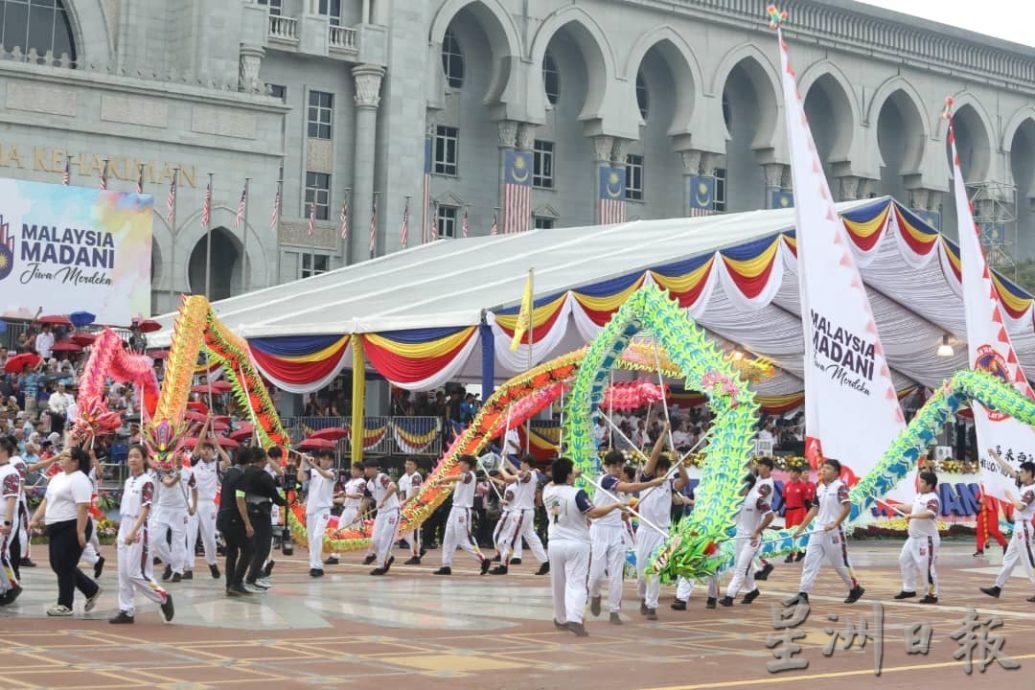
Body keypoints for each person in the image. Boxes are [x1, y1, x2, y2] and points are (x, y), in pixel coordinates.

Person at [544, 457, 627, 637]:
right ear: (568, 476)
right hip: (577, 544)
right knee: (577, 583)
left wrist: (570, 474)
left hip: (555, 542)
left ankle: (560, 618)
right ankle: (575, 618)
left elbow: (555, 483)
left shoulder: (548, 491)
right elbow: (594, 513)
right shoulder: (577, 493)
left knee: (558, 583)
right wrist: (615, 505)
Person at [588, 450, 665, 622]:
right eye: (613, 466)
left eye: (619, 466)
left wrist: (622, 514)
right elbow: (631, 487)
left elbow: (623, 506)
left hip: (617, 532)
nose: (617, 469)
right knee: (596, 574)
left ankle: (614, 611)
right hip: (599, 531)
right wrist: (653, 483)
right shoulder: (606, 480)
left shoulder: (621, 487)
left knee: (616, 574)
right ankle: (594, 594)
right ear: (606, 467)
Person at [28, 446, 102, 616]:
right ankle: (91, 589)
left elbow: (83, 506)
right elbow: (47, 501)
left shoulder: (80, 479)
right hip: (56, 526)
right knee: (58, 564)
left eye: (66, 456)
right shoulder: (58, 477)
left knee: (65, 565)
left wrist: (81, 532)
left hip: (72, 525)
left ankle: (65, 604)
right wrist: (35, 519)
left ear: (76, 462)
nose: (61, 458)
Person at [109, 444, 174, 624]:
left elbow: (145, 509)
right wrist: (120, 534)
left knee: (134, 573)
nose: (133, 460)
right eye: (130, 456)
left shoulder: (147, 481)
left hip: (140, 527)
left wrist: (133, 531)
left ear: (145, 459)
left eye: (137, 456)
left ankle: (162, 597)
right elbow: (125, 510)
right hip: (126, 526)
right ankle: (126, 610)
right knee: (123, 573)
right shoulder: (129, 481)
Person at [791, 458, 865, 604]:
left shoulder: (840, 487)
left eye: (828, 468)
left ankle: (854, 588)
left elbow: (847, 507)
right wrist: (801, 529)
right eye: (823, 468)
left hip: (834, 532)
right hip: (817, 530)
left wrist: (835, 524)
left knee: (840, 564)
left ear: (836, 473)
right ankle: (803, 593)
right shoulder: (819, 488)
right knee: (809, 562)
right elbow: (814, 509)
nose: (823, 470)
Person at [636, 427, 687, 620]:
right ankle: (643, 597)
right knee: (642, 573)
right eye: (661, 469)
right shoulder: (646, 479)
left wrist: (678, 461)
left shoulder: (669, 484)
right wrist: (664, 432)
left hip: (662, 534)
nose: (663, 472)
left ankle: (651, 605)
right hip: (645, 531)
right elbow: (654, 455)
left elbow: (685, 479)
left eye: (666, 469)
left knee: (655, 570)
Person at [719, 459, 775, 607]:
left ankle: (729, 596)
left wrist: (757, 531)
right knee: (743, 565)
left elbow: (770, 516)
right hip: (741, 535)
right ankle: (752, 591)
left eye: (742, 484)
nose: (739, 487)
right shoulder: (740, 498)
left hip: (753, 538)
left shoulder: (758, 498)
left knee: (741, 568)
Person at [980, 452, 1035, 602]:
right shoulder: (1024, 485)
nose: (1020, 474)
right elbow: (1009, 469)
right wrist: (995, 457)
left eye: (1023, 472)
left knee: (1028, 560)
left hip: (1023, 527)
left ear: (1030, 473)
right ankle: (997, 587)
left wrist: (1010, 496)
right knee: (1009, 559)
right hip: (1018, 527)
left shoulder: (1031, 490)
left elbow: (1021, 506)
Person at [491, 455, 550, 576]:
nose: (520, 465)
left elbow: (508, 478)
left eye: (522, 463)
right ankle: (545, 562)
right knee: (531, 537)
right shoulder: (530, 474)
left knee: (510, 539)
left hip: (522, 511)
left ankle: (503, 566)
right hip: (526, 510)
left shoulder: (527, 474)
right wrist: (506, 459)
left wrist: (501, 468)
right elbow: (515, 471)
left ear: (527, 464)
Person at [433, 455, 491, 575]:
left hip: (463, 511)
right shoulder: (464, 477)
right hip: (455, 509)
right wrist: (443, 485)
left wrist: (444, 479)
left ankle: (482, 560)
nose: (459, 465)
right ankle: (446, 565)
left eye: (462, 463)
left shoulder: (469, 475)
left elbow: (458, 479)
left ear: (468, 465)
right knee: (448, 537)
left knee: (463, 538)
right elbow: (457, 485)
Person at [243, 446, 288, 590]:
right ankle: (252, 578)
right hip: (262, 513)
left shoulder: (245, 472)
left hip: (248, 511)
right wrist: (287, 503)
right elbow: (275, 497)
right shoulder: (264, 476)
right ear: (263, 459)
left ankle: (252, 577)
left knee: (253, 547)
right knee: (263, 547)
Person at [895, 470, 941, 605]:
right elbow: (912, 507)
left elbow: (930, 513)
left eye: (922, 482)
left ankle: (932, 594)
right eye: (919, 481)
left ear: (930, 485)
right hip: (913, 538)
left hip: (927, 539)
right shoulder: (919, 496)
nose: (919, 484)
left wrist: (912, 516)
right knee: (904, 560)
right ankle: (909, 589)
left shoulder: (933, 498)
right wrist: (899, 507)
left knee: (926, 566)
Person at [216, 448, 255, 596]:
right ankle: (237, 583)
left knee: (232, 552)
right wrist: (247, 523)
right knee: (247, 550)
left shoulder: (229, 473)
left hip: (223, 517)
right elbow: (240, 499)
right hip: (233, 519)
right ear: (249, 463)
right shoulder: (240, 477)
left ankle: (229, 585)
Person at [186, 431, 224, 579]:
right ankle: (188, 568)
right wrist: (208, 421)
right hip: (193, 503)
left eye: (209, 449)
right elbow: (199, 441)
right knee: (190, 536)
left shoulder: (215, 465)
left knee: (209, 537)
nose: (206, 451)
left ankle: (212, 563)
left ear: (213, 452)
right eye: (204, 448)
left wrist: (217, 445)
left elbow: (227, 462)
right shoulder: (194, 461)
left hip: (209, 505)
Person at [154, 453, 197, 582]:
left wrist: (193, 506)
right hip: (163, 509)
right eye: (175, 454)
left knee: (178, 542)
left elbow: (194, 488)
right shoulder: (163, 470)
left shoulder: (189, 472)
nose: (178, 457)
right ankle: (169, 563)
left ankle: (178, 571)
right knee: (157, 538)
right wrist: (175, 479)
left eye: (181, 454)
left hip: (180, 511)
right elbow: (167, 483)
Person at [298, 449, 336, 578]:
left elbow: (326, 475)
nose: (326, 462)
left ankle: (317, 565)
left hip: (324, 510)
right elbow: (300, 477)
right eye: (323, 459)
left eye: (328, 459)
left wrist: (313, 464)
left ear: (331, 461)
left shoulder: (332, 472)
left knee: (317, 536)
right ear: (319, 459)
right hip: (311, 510)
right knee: (311, 539)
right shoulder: (312, 472)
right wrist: (303, 461)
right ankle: (314, 566)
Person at [364, 458, 401, 576]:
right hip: (381, 513)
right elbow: (366, 500)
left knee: (386, 538)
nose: (366, 471)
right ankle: (388, 557)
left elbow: (393, 487)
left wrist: (383, 500)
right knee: (375, 540)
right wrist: (358, 514)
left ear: (375, 469)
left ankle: (381, 565)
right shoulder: (369, 484)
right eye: (365, 468)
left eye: (369, 468)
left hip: (391, 511)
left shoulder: (382, 477)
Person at [0, 437, 22, 605]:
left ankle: (12, 585)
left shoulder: (10, 472)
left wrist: (7, 522)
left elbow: (11, 498)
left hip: (3, 518)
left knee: (1, 554)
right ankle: (3, 587)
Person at [781, 467, 812, 563]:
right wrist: (777, 509)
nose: (792, 474)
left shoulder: (803, 486)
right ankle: (800, 551)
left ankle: (791, 555)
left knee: (794, 532)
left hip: (799, 511)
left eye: (794, 473)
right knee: (789, 533)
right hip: (789, 512)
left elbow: (807, 501)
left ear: (799, 475)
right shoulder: (787, 485)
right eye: (791, 472)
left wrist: (809, 514)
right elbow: (783, 499)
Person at [398, 457, 424, 565]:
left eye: (410, 464)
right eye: (406, 464)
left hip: (415, 507)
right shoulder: (403, 478)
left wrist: (405, 502)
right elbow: (402, 493)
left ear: (415, 466)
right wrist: (401, 504)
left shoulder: (416, 477)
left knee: (413, 532)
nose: (407, 466)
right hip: (406, 507)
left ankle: (415, 556)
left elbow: (415, 493)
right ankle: (419, 549)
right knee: (402, 530)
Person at [974, 486, 1008, 556]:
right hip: (983, 509)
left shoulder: (995, 485)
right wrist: (980, 500)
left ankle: (1005, 545)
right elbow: (977, 499)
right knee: (980, 529)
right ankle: (980, 550)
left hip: (992, 509)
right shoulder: (982, 485)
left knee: (993, 529)